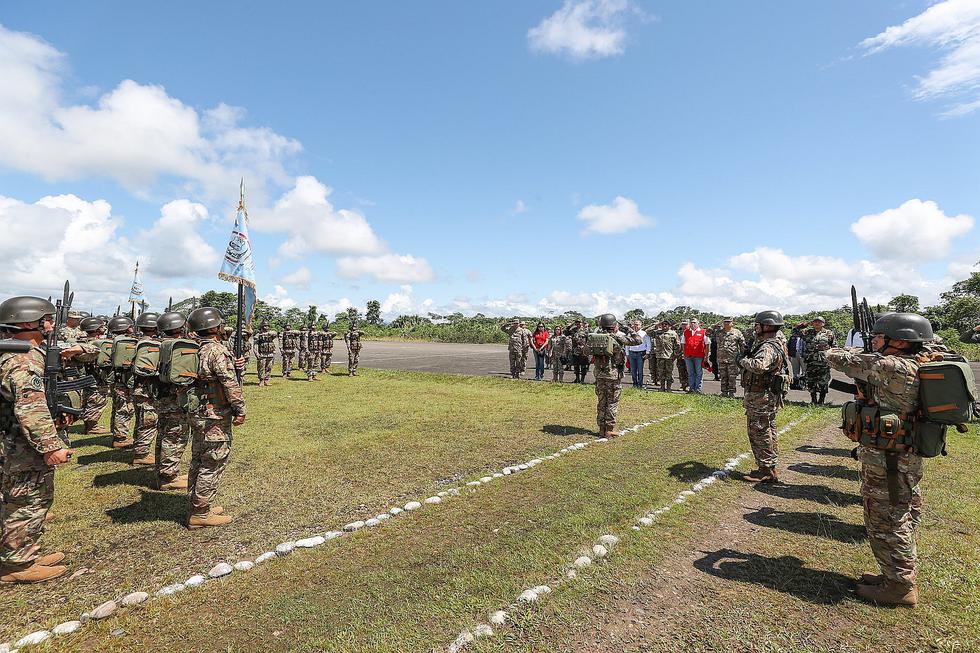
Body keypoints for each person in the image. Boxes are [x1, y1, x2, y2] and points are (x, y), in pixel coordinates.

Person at [826, 313, 936, 606]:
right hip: (904, 454)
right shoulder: (919, 361)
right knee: (902, 513)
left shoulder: (891, 365)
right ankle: (894, 574)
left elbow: (835, 358)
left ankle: (900, 587)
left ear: (900, 341)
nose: (874, 341)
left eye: (879, 337)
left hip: (889, 458)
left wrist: (846, 350)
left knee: (886, 519)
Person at [0, 296, 95, 583]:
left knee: (26, 498)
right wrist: (51, 445)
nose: (52, 324)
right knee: (27, 499)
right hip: (20, 445)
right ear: (29, 322)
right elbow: (31, 407)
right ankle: (17, 565)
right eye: (47, 319)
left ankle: (23, 551)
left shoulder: (28, 352)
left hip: (16, 439)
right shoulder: (23, 360)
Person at [185, 307, 245, 528]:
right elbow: (229, 382)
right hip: (215, 414)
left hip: (197, 412)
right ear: (215, 327)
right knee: (213, 461)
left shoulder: (192, 348)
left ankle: (197, 504)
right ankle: (200, 514)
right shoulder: (217, 351)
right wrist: (240, 408)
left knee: (198, 459)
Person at [738, 310, 790, 482]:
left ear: (766, 326)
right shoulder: (776, 343)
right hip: (766, 395)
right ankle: (769, 467)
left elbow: (759, 366)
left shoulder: (768, 346)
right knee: (768, 430)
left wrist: (742, 360)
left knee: (759, 431)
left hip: (761, 396)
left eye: (757, 325)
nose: (755, 328)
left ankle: (766, 470)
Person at [154, 311, 190, 491]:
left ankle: (163, 473)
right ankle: (169, 477)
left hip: (161, 398)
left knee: (163, 435)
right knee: (174, 436)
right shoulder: (180, 347)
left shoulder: (158, 345)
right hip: (176, 399)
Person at [592, 314, 642, 438]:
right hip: (613, 375)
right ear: (614, 326)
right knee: (612, 402)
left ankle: (601, 429)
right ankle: (609, 430)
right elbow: (638, 340)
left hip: (599, 375)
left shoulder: (594, 338)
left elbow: (586, 351)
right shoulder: (618, 337)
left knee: (601, 402)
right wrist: (628, 329)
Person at [130, 312, 160, 467]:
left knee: (141, 420)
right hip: (147, 390)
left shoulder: (137, 342)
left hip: (137, 388)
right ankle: (141, 454)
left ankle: (139, 447)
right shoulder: (152, 345)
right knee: (148, 422)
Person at [106, 315, 136, 448]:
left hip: (117, 378)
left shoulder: (115, 340)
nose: (132, 328)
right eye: (130, 326)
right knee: (124, 408)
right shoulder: (126, 342)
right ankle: (120, 438)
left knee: (118, 407)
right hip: (124, 380)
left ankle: (116, 434)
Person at [78, 316, 110, 435]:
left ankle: (90, 424)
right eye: (101, 326)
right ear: (95, 329)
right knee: (97, 400)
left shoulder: (82, 341)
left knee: (89, 399)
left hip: (86, 376)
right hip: (96, 376)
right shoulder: (97, 343)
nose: (104, 328)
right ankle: (92, 426)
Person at [801, 317, 836, 404]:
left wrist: (832, 360)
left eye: (819, 322)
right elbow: (794, 332)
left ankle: (821, 400)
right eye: (815, 321)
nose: (817, 323)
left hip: (823, 362)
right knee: (810, 381)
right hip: (810, 361)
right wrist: (804, 324)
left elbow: (834, 347)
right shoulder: (807, 332)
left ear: (823, 323)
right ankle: (813, 400)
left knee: (823, 381)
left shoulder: (829, 333)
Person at [712, 318, 745, 398]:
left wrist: (742, 356)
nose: (727, 323)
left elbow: (742, 345)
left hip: (732, 359)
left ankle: (731, 392)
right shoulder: (718, 332)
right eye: (725, 322)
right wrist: (714, 326)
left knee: (732, 376)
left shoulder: (737, 332)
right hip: (721, 358)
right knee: (723, 376)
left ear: (732, 323)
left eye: (729, 322)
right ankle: (724, 392)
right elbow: (707, 333)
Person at [650, 321, 681, 391]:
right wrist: (656, 325)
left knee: (669, 373)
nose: (664, 326)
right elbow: (647, 331)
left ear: (669, 326)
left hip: (669, 357)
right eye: (662, 324)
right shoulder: (657, 332)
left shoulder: (673, 333)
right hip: (660, 356)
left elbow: (678, 346)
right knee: (661, 373)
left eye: (666, 324)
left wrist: (675, 355)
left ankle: (669, 388)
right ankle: (662, 387)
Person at [683, 318, 710, 393]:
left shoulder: (703, 332)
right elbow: (683, 344)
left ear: (698, 324)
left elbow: (707, 345)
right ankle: (691, 388)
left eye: (694, 322)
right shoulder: (686, 332)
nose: (693, 324)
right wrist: (684, 354)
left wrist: (706, 357)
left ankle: (698, 389)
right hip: (688, 356)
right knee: (690, 373)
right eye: (691, 323)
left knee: (698, 373)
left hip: (699, 356)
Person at [626, 320, 649, 389]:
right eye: (635, 324)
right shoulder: (630, 334)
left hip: (641, 353)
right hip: (632, 352)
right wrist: (627, 353)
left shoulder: (644, 333)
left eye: (637, 324)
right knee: (633, 370)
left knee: (640, 370)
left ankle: (640, 385)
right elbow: (627, 344)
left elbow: (648, 343)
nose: (636, 326)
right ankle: (634, 384)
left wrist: (647, 352)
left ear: (641, 325)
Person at [567, 319, 591, 384]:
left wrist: (586, 347)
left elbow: (589, 339)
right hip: (575, 349)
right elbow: (566, 332)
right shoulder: (573, 330)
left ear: (581, 323)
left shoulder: (586, 330)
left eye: (579, 323)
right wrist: (570, 325)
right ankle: (577, 379)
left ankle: (582, 380)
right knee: (576, 365)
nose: (578, 324)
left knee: (583, 365)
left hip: (583, 350)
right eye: (576, 323)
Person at [254, 321, 277, 386]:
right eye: (265, 326)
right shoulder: (258, 335)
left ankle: (266, 380)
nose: (266, 327)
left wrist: (266, 334)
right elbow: (255, 345)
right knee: (261, 368)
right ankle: (261, 380)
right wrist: (256, 353)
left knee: (269, 367)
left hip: (270, 354)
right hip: (262, 354)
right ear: (261, 327)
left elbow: (275, 333)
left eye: (267, 326)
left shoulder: (271, 334)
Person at [788, 322, 806, 390]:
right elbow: (789, 346)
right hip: (794, 355)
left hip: (803, 355)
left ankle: (804, 385)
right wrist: (789, 355)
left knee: (804, 370)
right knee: (795, 370)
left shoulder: (805, 337)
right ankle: (796, 384)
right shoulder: (792, 337)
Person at [675, 319, 690, 391]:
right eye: (683, 324)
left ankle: (689, 385)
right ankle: (683, 385)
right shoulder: (678, 332)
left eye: (686, 324)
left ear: (689, 324)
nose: (684, 325)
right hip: (679, 354)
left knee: (688, 370)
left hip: (688, 354)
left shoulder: (691, 332)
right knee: (681, 370)